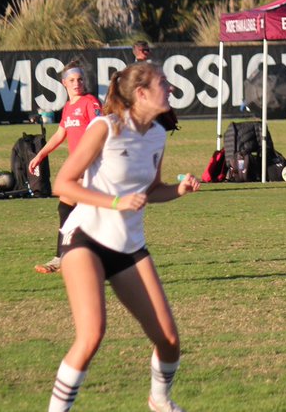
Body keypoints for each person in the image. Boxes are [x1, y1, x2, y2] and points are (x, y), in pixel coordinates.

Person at [48, 61, 199, 412]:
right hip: (85, 237)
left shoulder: (158, 134)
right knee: (92, 334)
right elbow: (63, 184)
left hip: (128, 246)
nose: (171, 88)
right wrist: (116, 201)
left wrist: (178, 190)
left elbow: (152, 189)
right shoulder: (106, 127)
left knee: (169, 340)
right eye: (163, 83)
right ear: (142, 93)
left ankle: (159, 402)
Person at [33, 65, 104, 274]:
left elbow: (101, 129)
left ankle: (73, 258)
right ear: (64, 83)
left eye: (80, 79)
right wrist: (40, 154)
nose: (77, 84)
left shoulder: (90, 102)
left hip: (90, 166)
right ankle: (63, 257)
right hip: (77, 166)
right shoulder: (68, 107)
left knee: (84, 213)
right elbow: (59, 134)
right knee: (66, 209)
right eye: (72, 80)